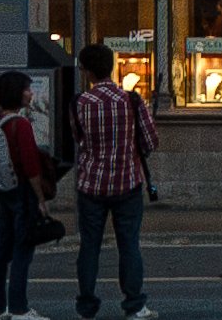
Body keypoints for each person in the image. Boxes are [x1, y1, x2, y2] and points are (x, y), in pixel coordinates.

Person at [67, 40, 160, 320]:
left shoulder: (79, 103)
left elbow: (78, 139)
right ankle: (133, 304)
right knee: (129, 245)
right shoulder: (130, 100)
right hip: (127, 182)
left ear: (87, 72)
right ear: (110, 67)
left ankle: (87, 306)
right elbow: (151, 141)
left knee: (89, 246)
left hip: (91, 184)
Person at [0, 69, 57, 320]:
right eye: (27, 89)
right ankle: (19, 308)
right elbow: (30, 165)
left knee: (3, 251)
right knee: (23, 251)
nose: (31, 93)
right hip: (23, 192)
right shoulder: (21, 124)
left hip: (4, 190)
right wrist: (40, 199)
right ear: (18, 93)